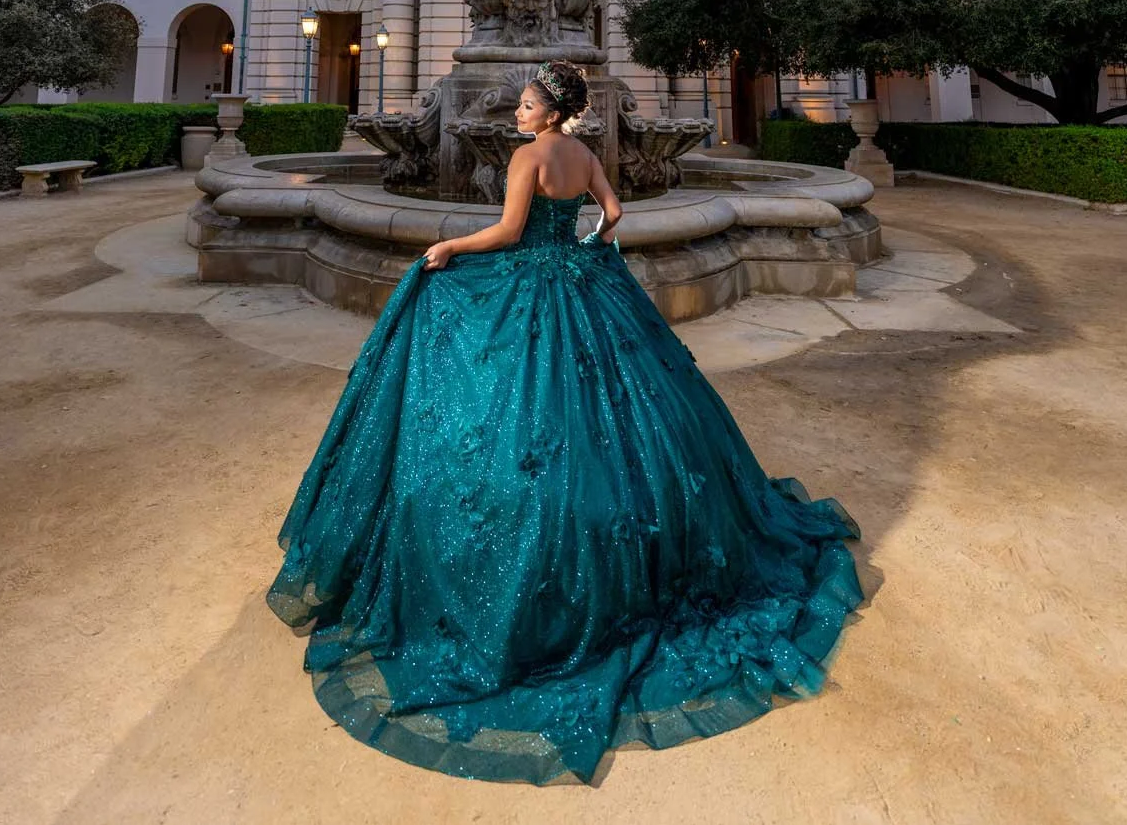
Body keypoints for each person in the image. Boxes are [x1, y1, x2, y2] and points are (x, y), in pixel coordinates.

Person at [266, 60, 866, 785]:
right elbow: (613, 215)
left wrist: (451, 247)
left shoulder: (527, 158)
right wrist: (587, 254)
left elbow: (510, 231)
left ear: (550, 112)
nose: (518, 114)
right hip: (586, 288)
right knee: (631, 421)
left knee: (514, 414)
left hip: (532, 289)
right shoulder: (584, 154)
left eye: (526, 105)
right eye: (520, 106)